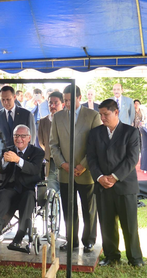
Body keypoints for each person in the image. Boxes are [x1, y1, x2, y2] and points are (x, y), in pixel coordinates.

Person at [87, 99, 144, 267]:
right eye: (101, 114)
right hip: (102, 186)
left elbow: (132, 159)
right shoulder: (95, 133)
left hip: (125, 185)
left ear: (116, 112)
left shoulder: (131, 132)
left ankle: (135, 258)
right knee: (106, 224)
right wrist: (99, 177)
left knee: (129, 225)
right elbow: (91, 158)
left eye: (106, 114)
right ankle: (111, 256)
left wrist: (114, 177)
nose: (102, 118)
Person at [0, 125, 45, 252]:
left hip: (27, 189)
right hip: (11, 188)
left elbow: (35, 170)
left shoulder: (37, 152)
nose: (19, 139)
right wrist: (4, 160)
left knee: (28, 198)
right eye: (16, 136)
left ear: (29, 138)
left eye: (23, 136)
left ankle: (19, 237)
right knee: (2, 194)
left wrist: (18, 160)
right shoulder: (8, 150)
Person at [50, 85, 101, 253]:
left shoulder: (93, 115)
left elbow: (97, 144)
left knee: (88, 209)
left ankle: (89, 240)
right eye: (64, 100)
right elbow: (53, 145)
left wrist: (83, 166)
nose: (66, 103)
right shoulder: (57, 117)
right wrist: (63, 164)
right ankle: (71, 240)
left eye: (70, 100)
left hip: (85, 172)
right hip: (65, 172)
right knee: (68, 210)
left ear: (79, 98)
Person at [0, 85, 36, 158]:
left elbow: (32, 137)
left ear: (14, 97)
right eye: (2, 100)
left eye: (8, 99)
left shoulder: (26, 114)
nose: (5, 102)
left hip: (22, 156)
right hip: (4, 156)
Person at [37, 91, 62, 193]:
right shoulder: (43, 121)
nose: (53, 106)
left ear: (62, 104)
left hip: (65, 162)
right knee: (51, 192)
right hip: (50, 161)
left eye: (56, 103)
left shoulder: (68, 120)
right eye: (50, 103)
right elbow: (41, 142)